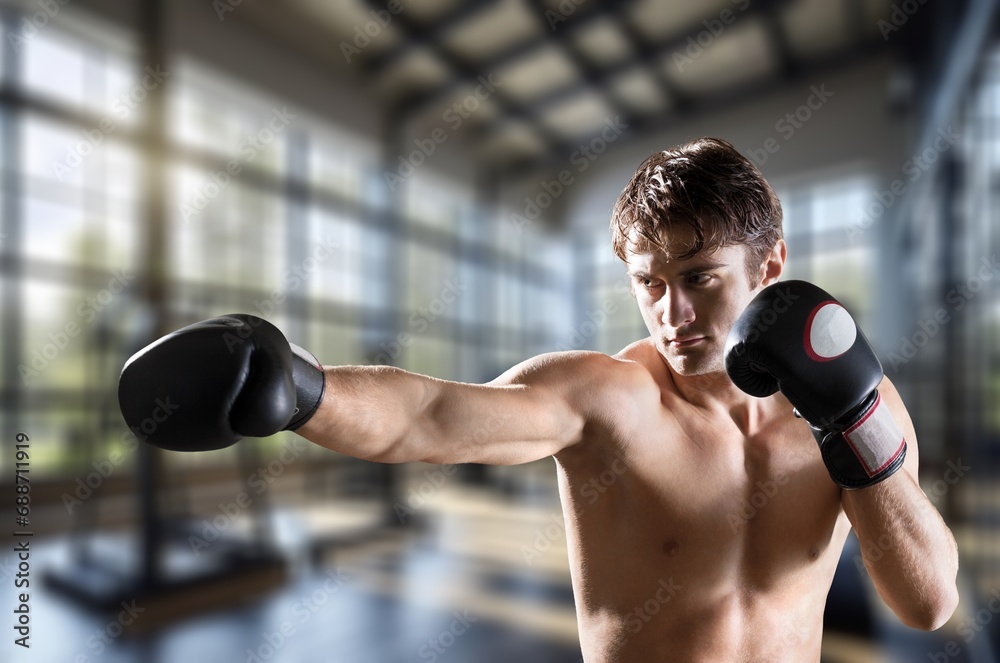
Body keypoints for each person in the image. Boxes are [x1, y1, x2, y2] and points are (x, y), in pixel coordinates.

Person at [119, 137, 959, 661]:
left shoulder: (857, 401)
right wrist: (304, 389)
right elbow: (431, 415)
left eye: (698, 279)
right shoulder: (610, 399)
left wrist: (851, 421)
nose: (671, 313)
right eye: (649, 283)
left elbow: (927, 603)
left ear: (769, 266)